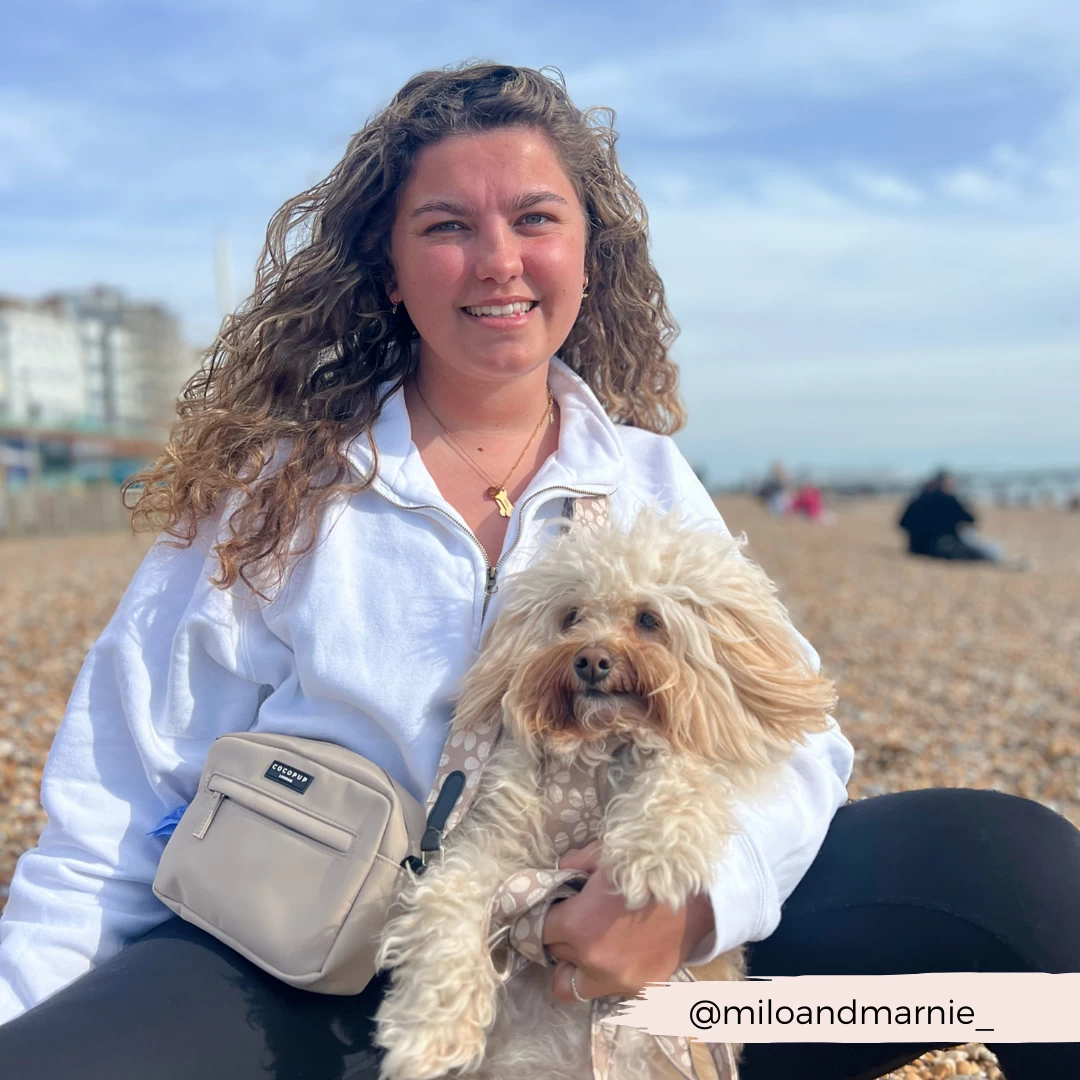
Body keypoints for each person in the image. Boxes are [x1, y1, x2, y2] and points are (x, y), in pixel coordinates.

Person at [0, 64, 1077, 1080]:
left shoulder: (647, 477)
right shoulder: (273, 494)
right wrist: (32, 1009)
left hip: (625, 983)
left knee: (1007, 869)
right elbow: (112, 806)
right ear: (388, 269)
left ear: (589, 255)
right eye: (447, 226)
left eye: (535, 219)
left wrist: (695, 907)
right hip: (314, 991)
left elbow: (798, 736)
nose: (498, 261)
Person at [898, 470, 1025, 566]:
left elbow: (902, 523)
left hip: (916, 548)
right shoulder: (949, 500)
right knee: (983, 551)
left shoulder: (918, 500)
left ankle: (1000, 561)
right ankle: (1001, 562)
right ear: (945, 484)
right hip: (942, 546)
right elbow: (971, 519)